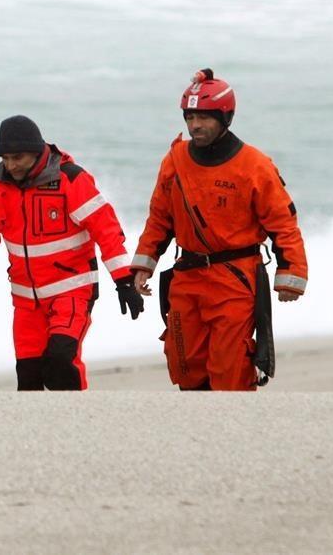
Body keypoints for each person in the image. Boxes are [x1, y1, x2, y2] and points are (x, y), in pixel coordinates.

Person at [130, 69, 308, 391]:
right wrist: (145, 264)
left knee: (230, 369)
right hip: (186, 277)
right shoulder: (175, 160)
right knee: (184, 365)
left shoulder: (255, 166)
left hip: (234, 279)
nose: (195, 125)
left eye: (204, 117)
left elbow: (283, 224)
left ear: (225, 117)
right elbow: (159, 218)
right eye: (190, 117)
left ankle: (233, 433)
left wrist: (291, 274)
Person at [0, 115, 143, 390]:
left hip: (72, 292)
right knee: (29, 378)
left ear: (36, 150)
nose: (11, 165)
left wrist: (124, 280)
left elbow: (106, 229)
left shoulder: (69, 179)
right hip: (26, 302)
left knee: (61, 362)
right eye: (6, 158)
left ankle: (75, 425)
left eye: (17, 157)